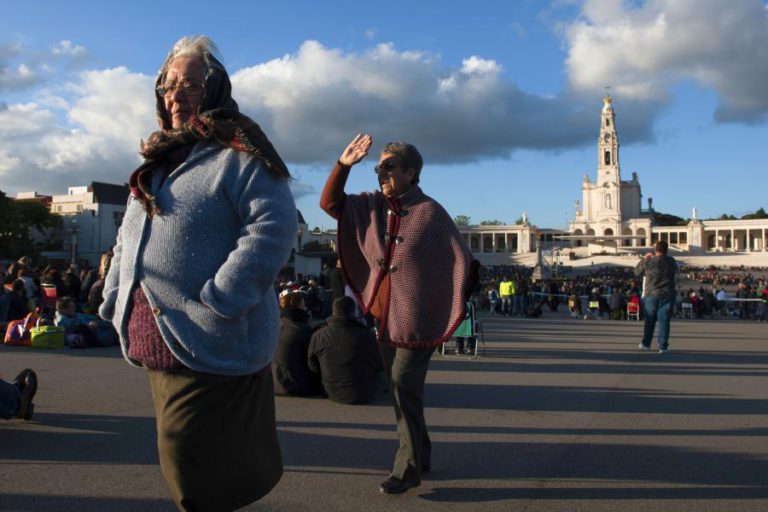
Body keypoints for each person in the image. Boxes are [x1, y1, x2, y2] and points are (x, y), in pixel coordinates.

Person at [99, 35, 296, 512]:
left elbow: (273, 227)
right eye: (168, 85)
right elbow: (128, 237)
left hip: (207, 334)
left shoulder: (240, 154)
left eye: (191, 84)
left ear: (215, 90)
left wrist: (221, 299)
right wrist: (113, 295)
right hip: (159, 342)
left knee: (196, 472)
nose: (176, 95)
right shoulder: (157, 162)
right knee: (189, 464)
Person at [320, 133, 477, 495]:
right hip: (382, 315)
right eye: (378, 167)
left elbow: (458, 261)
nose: (380, 173)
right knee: (401, 391)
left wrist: (445, 300)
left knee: (402, 386)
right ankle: (421, 454)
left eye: (389, 167)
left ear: (411, 172)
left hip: (417, 318)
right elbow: (330, 203)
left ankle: (407, 469)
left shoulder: (431, 213)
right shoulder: (370, 206)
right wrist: (344, 165)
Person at [308, 296, 383, 404]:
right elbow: (379, 365)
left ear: (333, 311)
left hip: (331, 392)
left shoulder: (319, 335)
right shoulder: (367, 335)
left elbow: (313, 365)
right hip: (364, 393)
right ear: (353, 312)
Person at [272, 292, 321, 396]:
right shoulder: (302, 330)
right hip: (295, 385)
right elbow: (312, 361)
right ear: (299, 307)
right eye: (303, 305)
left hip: (273, 383)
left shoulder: (274, 326)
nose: (306, 308)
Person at [635, 240, 678, 353]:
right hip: (667, 294)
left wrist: (644, 259)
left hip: (651, 294)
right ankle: (663, 347)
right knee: (664, 321)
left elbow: (637, 272)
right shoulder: (671, 261)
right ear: (667, 250)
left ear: (655, 250)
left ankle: (646, 344)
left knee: (649, 320)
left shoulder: (649, 261)